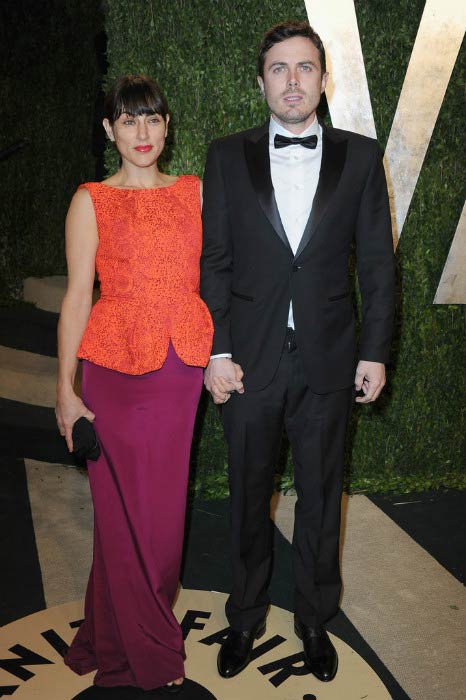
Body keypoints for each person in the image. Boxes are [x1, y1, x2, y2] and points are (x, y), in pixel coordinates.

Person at [201, 21, 395, 684]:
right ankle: (247, 616)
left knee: (321, 496)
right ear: (262, 82)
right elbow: (216, 261)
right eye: (279, 69)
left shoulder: (362, 159)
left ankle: (314, 618)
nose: (292, 81)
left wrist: (374, 351)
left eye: (304, 68)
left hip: (330, 361)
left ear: (322, 78)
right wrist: (218, 348)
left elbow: (375, 264)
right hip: (248, 361)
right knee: (249, 497)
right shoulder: (226, 156)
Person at [56, 74, 213, 695]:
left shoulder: (196, 194)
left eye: (151, 120)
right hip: (111, 371)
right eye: (128, 121)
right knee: (118, 515)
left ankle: (108, 630)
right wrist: (65, 390)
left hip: (178, 370)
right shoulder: (90, 199)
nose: (141, 133)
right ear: (109, 130)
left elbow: (225, 275)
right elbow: (74, 299)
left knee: (162, 518)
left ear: (167, 126)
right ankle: (143, 654)